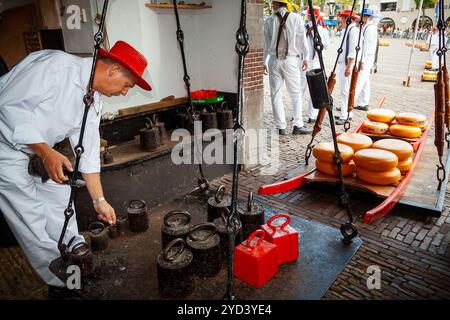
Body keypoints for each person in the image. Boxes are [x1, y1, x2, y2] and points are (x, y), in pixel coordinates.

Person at [0, 41, 152, 298]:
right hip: (5, 149)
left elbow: (89, 152)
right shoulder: (55, 67)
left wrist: (99, 200)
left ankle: (75, 252)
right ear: (114, 70)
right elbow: (7, 107)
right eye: (127, 85)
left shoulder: (93, 100)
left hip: (36, 148)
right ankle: (62, 281)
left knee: (60, 195)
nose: (125, 93)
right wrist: (46, 152)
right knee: (31, 218)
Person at [263, 0, 311, 135]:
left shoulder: (269, 20)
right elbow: (302, 40)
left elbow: (265, 43)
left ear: (278, 5)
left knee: (275, 94)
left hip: (273, 61)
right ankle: (298, 125)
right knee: (295, 94)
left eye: (273, 4)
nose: (272, 6)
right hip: (290, 60)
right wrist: (305, 57)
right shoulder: (296, 18)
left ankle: (280, 127)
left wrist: (263, 61)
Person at [300, 5, 330, 123]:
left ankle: (296, 113)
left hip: (304, 61)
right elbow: (326, 46)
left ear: (308, 16)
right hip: (316, 61)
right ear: (317, 17)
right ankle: (312, 115)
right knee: (315, 88)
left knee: (300, 88)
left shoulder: (303, 28)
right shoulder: (322, 30)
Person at [335, 9, 360, 125]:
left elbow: (353, 50)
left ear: (348, 19)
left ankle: (345, 115)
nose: (341, 20)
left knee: (345, 91)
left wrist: (349, 66)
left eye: (343, 18)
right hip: (343, 63)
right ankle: (347, 113)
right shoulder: (347, 30)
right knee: (344, 90)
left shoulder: (353, 30)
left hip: (346, 64)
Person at [354, 8, 379, 111]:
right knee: (365, 81)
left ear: (366, 17)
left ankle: (349, 103)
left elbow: (366, 46)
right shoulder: (368, 27)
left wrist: (362, 60)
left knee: (359, 80)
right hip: (368, 56)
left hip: (367, 57)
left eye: (361, 16)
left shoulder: (369, 28)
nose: (360, 18)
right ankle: (365, 102)